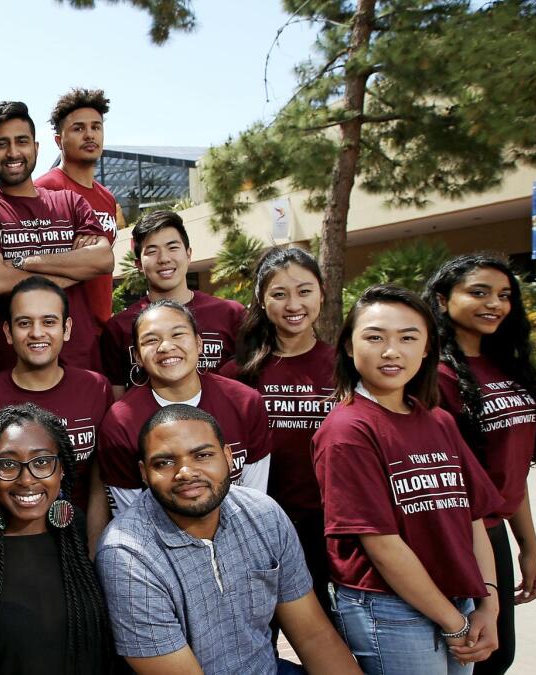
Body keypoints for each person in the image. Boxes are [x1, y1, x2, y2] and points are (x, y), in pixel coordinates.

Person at [313, 285, 503, 674]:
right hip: (391, 609)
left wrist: (489, 604)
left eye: (408, 337)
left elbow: (472, 519)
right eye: (375, 337)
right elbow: (381, 544)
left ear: (428, 347)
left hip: (459, 601)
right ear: (349, 347)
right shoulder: (347, 428)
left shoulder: (439, 420)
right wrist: (454, 624)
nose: (391, 351)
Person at [97, 404, 360, 675]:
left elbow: (314, 637)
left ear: (228, 456)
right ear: (144, 472)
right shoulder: (127, 555)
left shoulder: (263, 514)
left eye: (202, 455)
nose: (185, 472)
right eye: (164, 462)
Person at [425, 254, 536, 675]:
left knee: (497, 657)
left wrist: (530, 548)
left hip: (494, 531)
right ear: (444, 301)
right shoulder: (433, 375)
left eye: (504, 295)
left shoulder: (507, 366)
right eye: (479, 292)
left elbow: (511, 472)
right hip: (456, 537)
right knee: (477, 656)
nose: (495, 304)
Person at [0, 403, 112, 675]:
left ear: (61, 470)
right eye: (7, 464)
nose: (26, 479)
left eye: (41, 462)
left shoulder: (72, 528)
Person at [0, 101, 114, 375]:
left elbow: (103, 260)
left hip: (80, 364)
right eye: (1, 144)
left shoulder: (70, 201)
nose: (13, 152)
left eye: (22, 141)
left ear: (36, 147)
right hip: (13, 371)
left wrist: (25, 262)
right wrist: (77, 270)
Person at [220, 247, 335, 605]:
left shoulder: (346, 366)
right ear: (261, 299)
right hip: (257, 526)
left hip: (329, 526)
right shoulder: (235, 375)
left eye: (304, 291)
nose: (293, 304)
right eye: (280, 294)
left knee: (332, 635)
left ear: (321, 293)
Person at [0, 277, 112, 545]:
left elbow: (99, 480)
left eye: (49, 322)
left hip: (80, 536)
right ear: (8, 333)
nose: (36, 333)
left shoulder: (96, 388)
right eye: (24, 323)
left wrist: (93, 545)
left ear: (66, 329)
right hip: (11, 542)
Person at [99, 300, 271, 515]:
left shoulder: (245, 402)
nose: (166, 347)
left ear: (199, 344)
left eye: (178, 334)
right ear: (137, 357)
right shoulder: (120, 422)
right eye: (151, 340)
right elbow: (132, 514)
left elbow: (255, 500)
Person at [100, 211, 244, 398]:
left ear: (189, 254)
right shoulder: (118, 327)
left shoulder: (230, 314)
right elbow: (118, 398)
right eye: (152, 251)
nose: (164, 259)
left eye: (172, 247)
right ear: (138, 264)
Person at [34, 88, 124, 347]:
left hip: (102, 333)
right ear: (58, 139)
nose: (89, 134)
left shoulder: (107, 197)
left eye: (96, 127)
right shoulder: (44, 190)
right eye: (78, 128)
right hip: (64, 335)